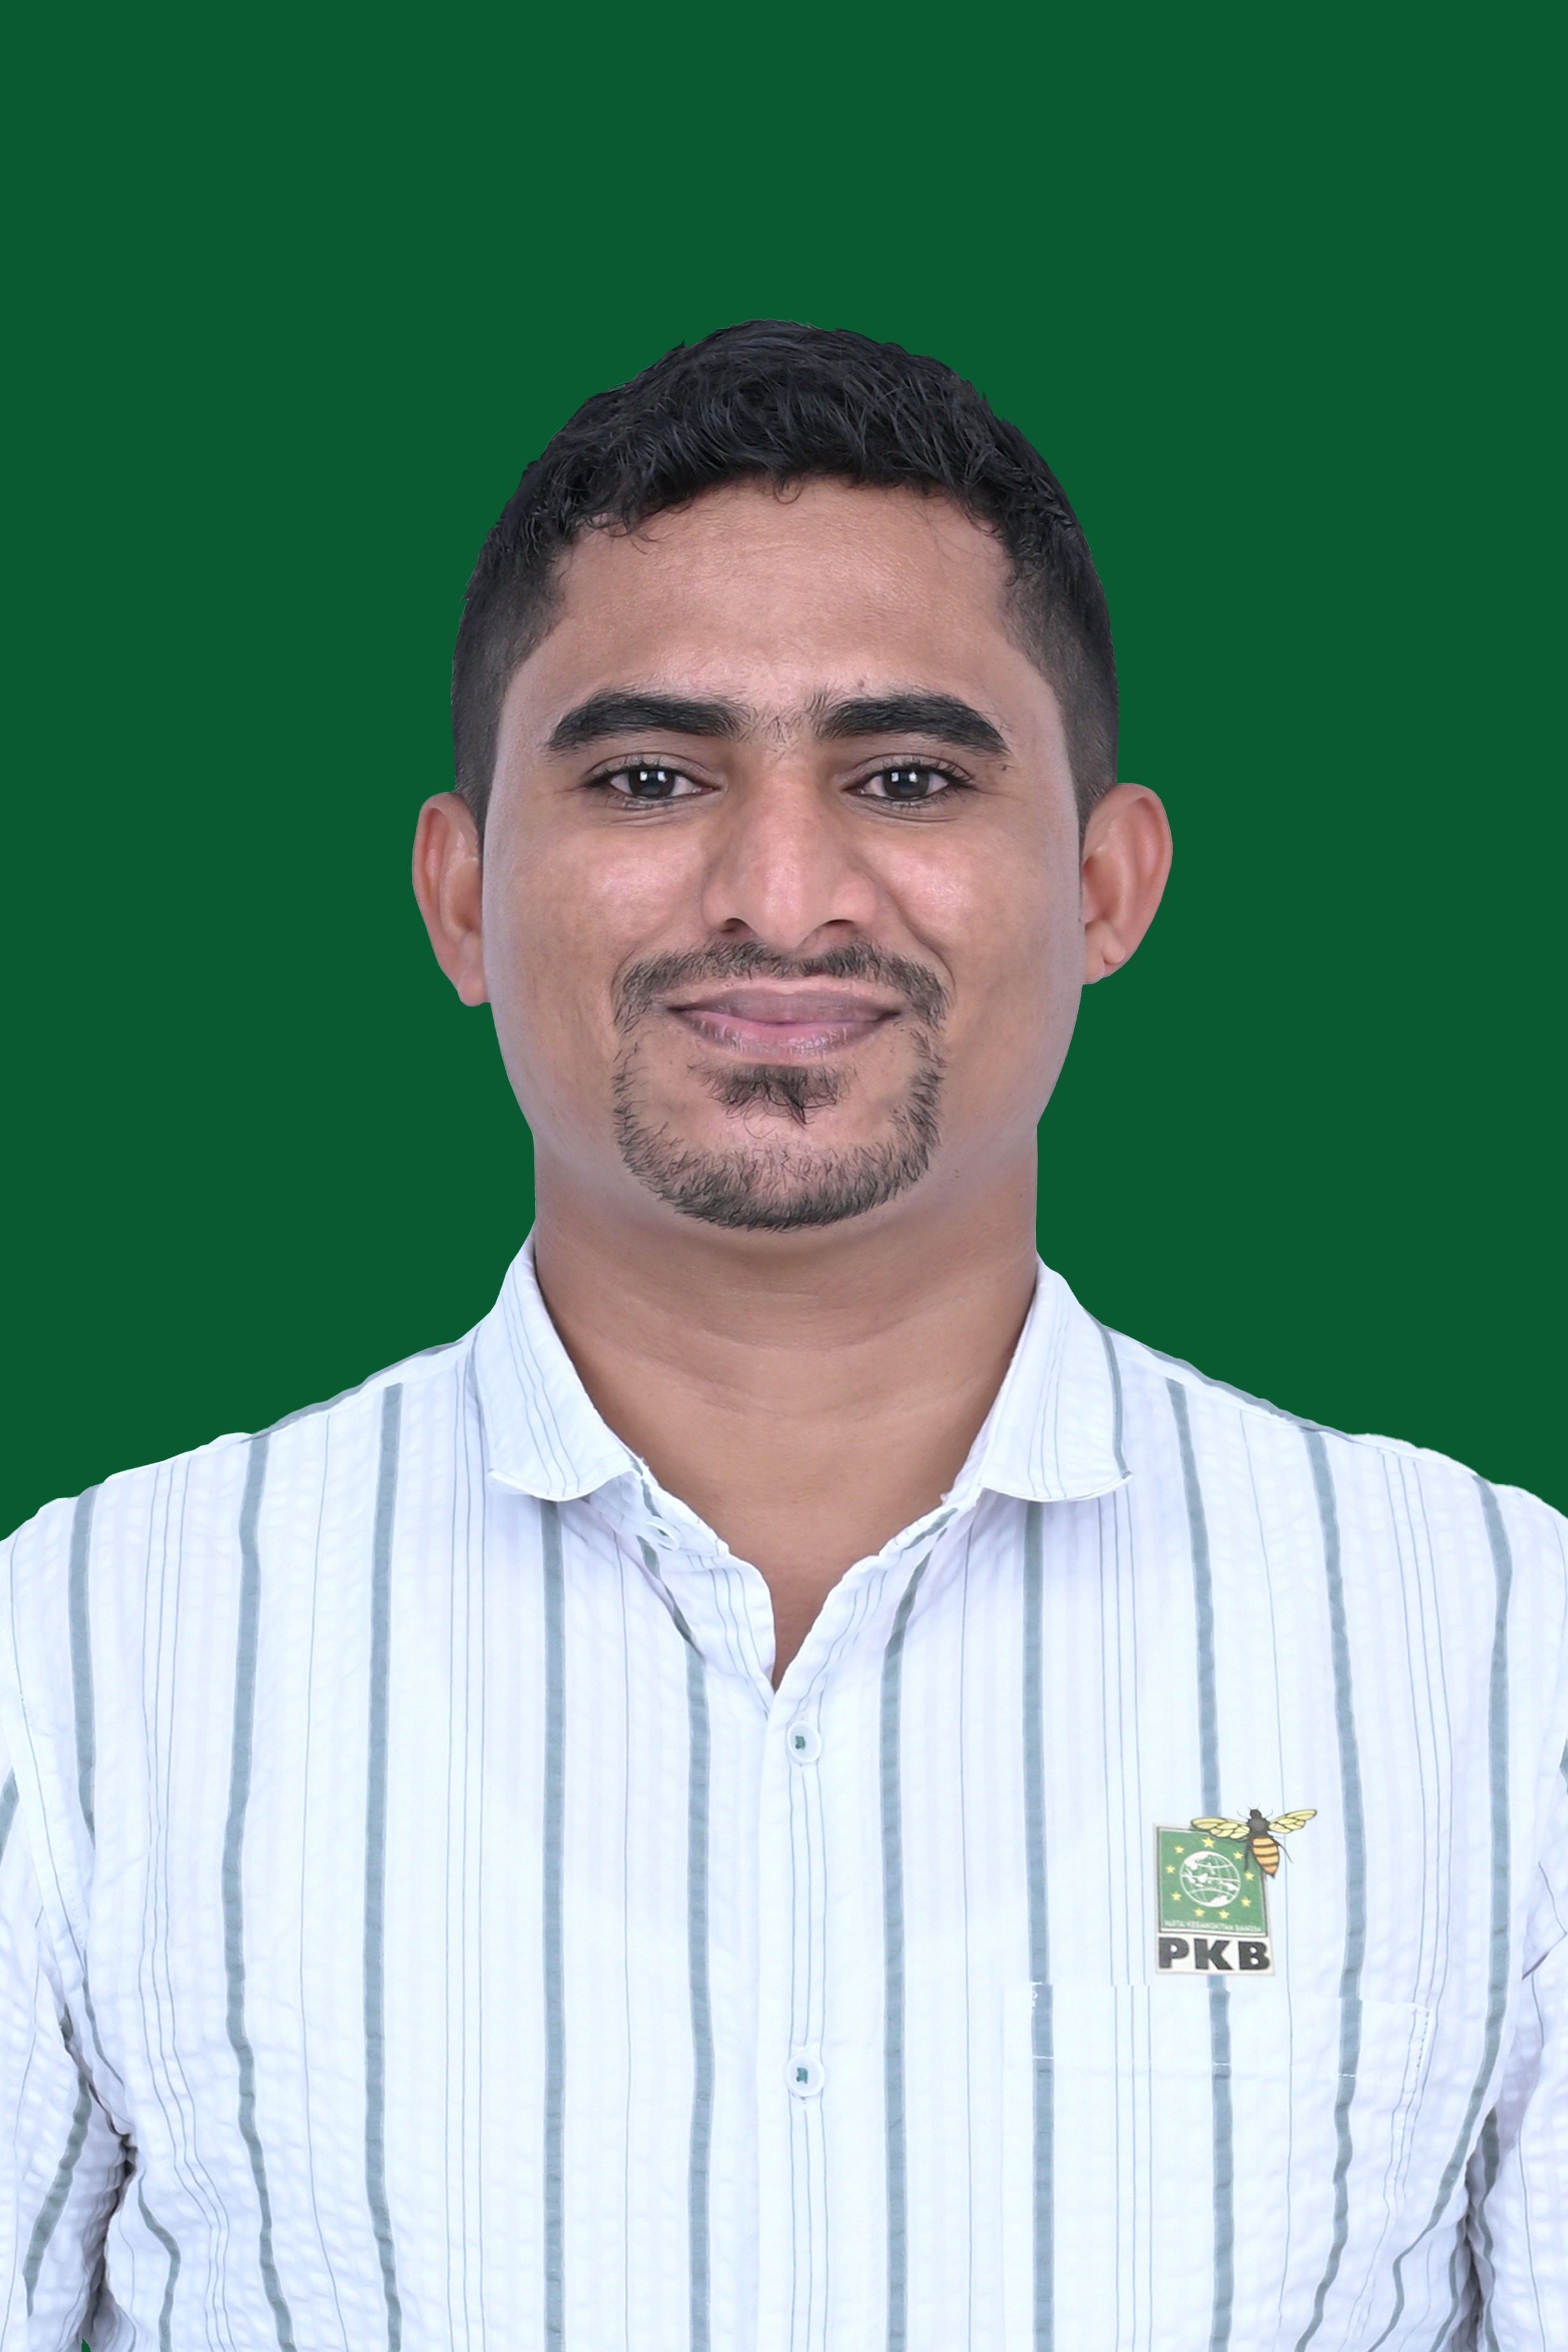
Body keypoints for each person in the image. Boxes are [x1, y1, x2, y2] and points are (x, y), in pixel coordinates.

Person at [1, 322, 1562, 2352]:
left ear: (1107, 885)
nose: (784, 892)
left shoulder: (1490, 1654)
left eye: (907, 778)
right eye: (652, 778)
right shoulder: (91, 1657)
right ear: (460, 898)